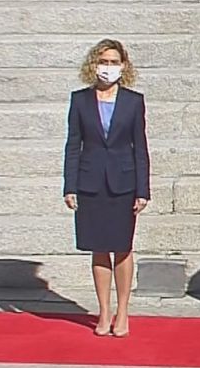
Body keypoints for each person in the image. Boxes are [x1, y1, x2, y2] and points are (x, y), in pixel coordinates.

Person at [62, 39, 150, 338]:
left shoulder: (133, 101)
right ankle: (103, 311)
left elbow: (140, 147)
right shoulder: (80, 100)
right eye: (103, 61)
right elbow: (73, 145)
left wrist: (143, 189)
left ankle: (123, 311)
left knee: (122, 248)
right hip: (90, 182)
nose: (107, 67)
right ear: (93, 64)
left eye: (113, 62)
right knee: (98, 248)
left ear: (123, 66)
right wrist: (69, 185)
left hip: (124, 183)